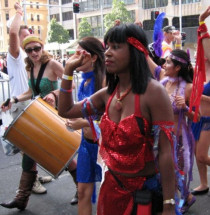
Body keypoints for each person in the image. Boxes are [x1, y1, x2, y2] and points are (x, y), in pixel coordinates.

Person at [58, 23, 176, 214]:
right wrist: (68, 71)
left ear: (136, 50)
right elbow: (66, 110)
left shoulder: (154, 93)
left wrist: (169, 204)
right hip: (111, 191)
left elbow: (165, 152)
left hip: (143, 194)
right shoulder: (108, 94)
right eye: (107, 48)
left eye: (116, 47)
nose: (108, 53)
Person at [0, 34, 78, 210]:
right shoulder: (30, 67)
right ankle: (21, 198)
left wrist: (53, 93)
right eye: (29, 50)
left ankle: (82, 188)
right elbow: (30, 92)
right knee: (30, 151)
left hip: (54, 115)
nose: (34, 52)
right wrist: (13, 99)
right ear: (25, 52)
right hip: (38, 116)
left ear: (42, 48)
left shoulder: (52, 64)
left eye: (37, 48)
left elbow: (71, 85)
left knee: (62, 156)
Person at [4, 2, 51, 195]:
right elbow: (13, 33)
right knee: (28, 147)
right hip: (21, 104)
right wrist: (18, 13)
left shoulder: (29, 57)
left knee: (33, 146)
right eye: (25, 34)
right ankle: (31, 184)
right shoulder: (15, 54)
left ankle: (35, 177)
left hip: (28, 103)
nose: (29, 37)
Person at [148, 49, 196, 213]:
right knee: (163, 173)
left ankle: (178, 203)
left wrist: (186, 107)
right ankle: (186, 197)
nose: (164, 64)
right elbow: (147, 60)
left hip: (179, 140)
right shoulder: (162, 80)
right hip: (160, 137)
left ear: (177, 67)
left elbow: (198, 116)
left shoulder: (189, 88)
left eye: (168, 62)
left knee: (174, 175)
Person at [65, 37, 105, 215]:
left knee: (109, 196)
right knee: (82, 192)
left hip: (105, 148)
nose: (76, 57)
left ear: (94, 57)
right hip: (86, 145)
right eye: (75, 53)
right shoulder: (84, 81)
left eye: (81, 53)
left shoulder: (104, 81)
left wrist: (82, 122)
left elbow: (114, 119)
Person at [190, 8, 210, 196]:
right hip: (197, 118)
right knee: (197, 155)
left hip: (209, 120)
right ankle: (203, 183)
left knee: (203, 155)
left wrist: (201, 22)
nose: (198, 51)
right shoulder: (198, 73)